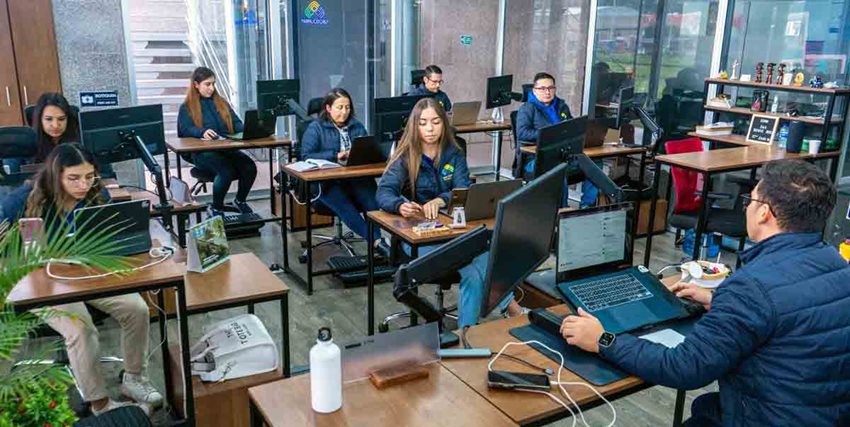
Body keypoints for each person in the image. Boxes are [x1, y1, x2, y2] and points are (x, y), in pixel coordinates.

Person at [560, 159, 850, 426]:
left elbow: (685, 367)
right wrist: (720, 300)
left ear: (764, 213)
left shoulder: (752, 289)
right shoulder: (838, 264)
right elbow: (789, 315)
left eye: (751, 200)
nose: (746, 207)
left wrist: (603, 339)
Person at [0, 143, 162, 416]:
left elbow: (113, 236)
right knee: (81, 328)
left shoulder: (96, 195)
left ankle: (134, 379)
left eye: (89, 176)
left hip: (87, 273)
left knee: (137, 309)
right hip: (40, 282)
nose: (83, 184)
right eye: (74, 178)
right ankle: (100, 404)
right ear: (56, 176)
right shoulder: (24, 199)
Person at [376, 98, 523, 327]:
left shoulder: (453, 153)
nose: (430, 128)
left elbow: (462, 189)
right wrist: (399, 205)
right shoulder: (407, 156)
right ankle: (509, 310)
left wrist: (441, 199)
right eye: (423, 123)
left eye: (435, 122)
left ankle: (467, 334)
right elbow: (384, 192)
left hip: (452, 230)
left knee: (483, 256)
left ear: (443, 124)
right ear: (415, 126)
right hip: (417, 238)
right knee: (475, 268)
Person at [301, 88, 388, 254]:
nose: (344, 112)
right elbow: (305, 156)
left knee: (373, 203)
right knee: (346, 206)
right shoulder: (315, 128)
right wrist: (336, 155)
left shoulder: (357, 126)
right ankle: (378, 243)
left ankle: (378, 243)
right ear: (328, 108)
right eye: (339, 107)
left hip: (355, 178)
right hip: (327, 183)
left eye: (347, 107)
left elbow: (367, 147)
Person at [177, 66, 256, 217]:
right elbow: (186, 130)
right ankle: (217, 208)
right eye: (207, 84)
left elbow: (236, 123)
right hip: (202, 153)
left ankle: (240, 201)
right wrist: (201, 132)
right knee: (225, 171)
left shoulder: (222, 103)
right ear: (196, 84)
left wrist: (247, 130)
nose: (211, 88)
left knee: (249, 166)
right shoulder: (186, 107)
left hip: (225, 148)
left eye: (213, 84)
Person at [516, 72, 598, 208]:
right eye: (542, 88)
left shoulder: (561, 106)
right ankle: (562, 210)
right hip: (536, 158)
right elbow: (522, 133)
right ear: (534, 91)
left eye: (551, 88)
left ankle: (586, 206)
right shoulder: (527, 109)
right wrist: (549, 134)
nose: (547, 92)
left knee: (595, 163)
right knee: (559, 168)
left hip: (564, 154)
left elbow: (571, 126)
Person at [2, 93, 80, 173]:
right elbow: (12, 180)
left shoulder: (80, 140)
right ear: (40, 120)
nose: (56, 125)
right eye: (49, 119)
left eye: (61, 119)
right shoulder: (24, 142)